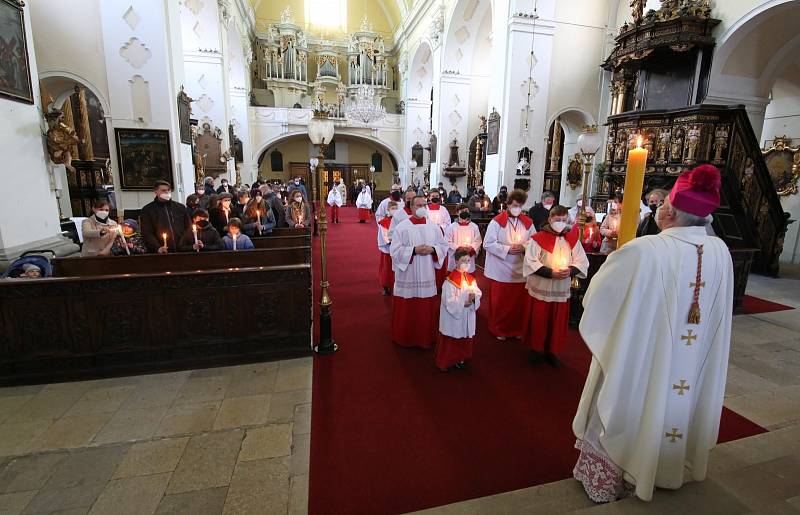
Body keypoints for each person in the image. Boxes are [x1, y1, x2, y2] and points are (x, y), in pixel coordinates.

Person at [572, 165, 733, 503]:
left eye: (663, 203)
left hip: (646, 359)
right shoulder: (722, 253)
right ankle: (665, 468)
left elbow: (596, 297)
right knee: (676, 400)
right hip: (687, 365)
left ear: (670, 210)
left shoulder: (645, 250)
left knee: (635, 399)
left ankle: (620, 474)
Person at [522, 205, 589, 367]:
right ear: (550, 219)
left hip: (561, 287)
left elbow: (582, 260)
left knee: (557, 321)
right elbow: (530, 261)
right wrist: (550, 273)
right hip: (542, 285)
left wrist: (570, 271)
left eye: (564, 220)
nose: (560, 223)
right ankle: (536, 350)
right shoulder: (538, 239)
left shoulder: (572, 239)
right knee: (540, 319)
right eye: (557, 220)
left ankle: (552, 350)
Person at [390, 195, 448, 349]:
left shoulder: (433, 227)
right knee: (407, 307)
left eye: (424, 205)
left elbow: (443, 246)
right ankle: (405, 337)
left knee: (425, 306)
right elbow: (394, 251)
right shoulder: (402, 227)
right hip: (408, 273)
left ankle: (425, 337)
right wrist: (414, 250)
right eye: (418, 205)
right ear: (411, 207)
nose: (422, 208)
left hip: (426, 271)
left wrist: (433, 249)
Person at [483, 189, 536, 341]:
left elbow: (534, 241)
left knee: (518, 302)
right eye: (514, 205)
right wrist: (507, 249)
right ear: (508, 204)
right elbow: (488, 243)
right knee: (501, 301)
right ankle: (498, 328)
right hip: (500, 267)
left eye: (520, 205)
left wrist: (524, 247)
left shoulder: (528, 222)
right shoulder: (497, 222)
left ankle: (517, 328)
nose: (517, 208)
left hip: (519, 267)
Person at [435, 247, 482, 372]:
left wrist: (474, 299)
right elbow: (448, 300)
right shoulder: (450, 281)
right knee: (453, 338)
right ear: (456, 262)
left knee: (463, 337)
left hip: (466, 315)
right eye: (463, 261)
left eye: (468, 261)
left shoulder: (471, 279)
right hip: (454, 316)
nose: (466, 264)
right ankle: (447, 361)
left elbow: (478, 293)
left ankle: (461, 358)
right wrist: (463, 303)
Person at [140, 181, 192, 253]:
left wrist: (185, 243)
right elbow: (147, 232)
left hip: (182, 249)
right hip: (162, 250)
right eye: (163, 190)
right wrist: (157, 247)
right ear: (156, 191)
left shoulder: (180, 207)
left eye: (169, 190)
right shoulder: (147, 210)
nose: (167, 192)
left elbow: (189, 227)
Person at [444, 203, 482, 272]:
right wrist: (458, 248)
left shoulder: (474, 226)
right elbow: (447, 241)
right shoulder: (452, 227)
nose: (464, 212)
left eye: (466, 211)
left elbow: (477, 240)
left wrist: (471, 248)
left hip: (469, 254)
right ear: (457, 213)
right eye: (462, 211)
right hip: (455, 256)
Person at [377, 201, 397, 295]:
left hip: (397, 249)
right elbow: (384, 235)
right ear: (388, 210)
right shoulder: (384, 222)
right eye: (393, 209)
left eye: (396, 208)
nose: (395, 211)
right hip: (388, 249)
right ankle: (386, 286)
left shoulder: (399, 221)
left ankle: (396, 285)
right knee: (387, 268)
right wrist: (391, 242)